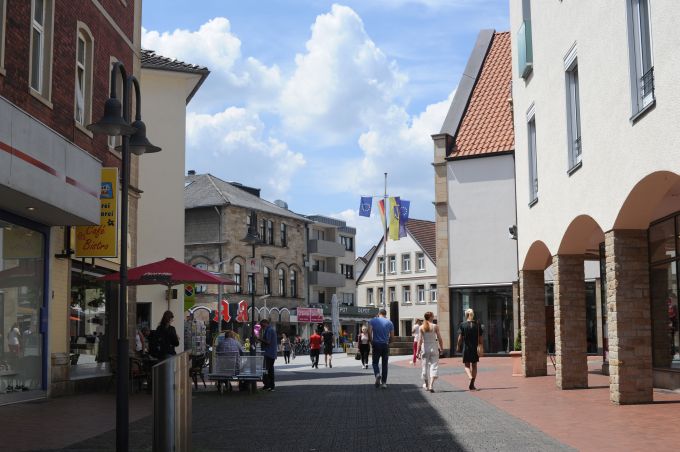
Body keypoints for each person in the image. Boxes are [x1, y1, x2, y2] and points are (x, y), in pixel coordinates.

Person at [457, 308, 483, 390]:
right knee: (474, 365)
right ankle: (472, 383)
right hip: (475, 347)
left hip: (466, 347)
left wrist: (458, 346)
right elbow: (480, 338)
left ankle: (470, 376)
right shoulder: (478, 325)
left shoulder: (462, 325)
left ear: (466, 315)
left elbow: (460, 338)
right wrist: (482, 346)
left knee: (466, 365)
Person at [418, 312, 444, 392]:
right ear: (430, 317)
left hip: (425, 348)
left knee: (424, 367)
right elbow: (439, 338)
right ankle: (431, 385)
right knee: (434, 366)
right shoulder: (435, 326)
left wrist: (417, 351)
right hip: (434, 347)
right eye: (432, 316)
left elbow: (420, 340)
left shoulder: (421, 327)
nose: (433, 317)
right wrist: (441, 348)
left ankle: (426, 384)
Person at [368, 309, 394, 389]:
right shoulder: (390, 322)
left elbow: (369, 332)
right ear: (385, 314)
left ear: (378, 314)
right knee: (384, 364)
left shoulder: (372, 321)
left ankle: (377, 374)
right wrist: (389, 342)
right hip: (385, 344)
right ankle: (384, 383)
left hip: (376, 344)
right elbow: (392, 336)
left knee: (375, 363)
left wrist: (371, 341)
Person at [257, 319, 278, 391]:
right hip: (272, 353)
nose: (261, 326)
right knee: (270, 369)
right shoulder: (271, 329)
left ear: (266, 323)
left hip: (268, 353)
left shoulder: (269, 330)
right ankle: (270, 385)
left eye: (262, 325)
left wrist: (259, 339)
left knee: (266, 370)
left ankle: (268, 385)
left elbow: (268, 342)